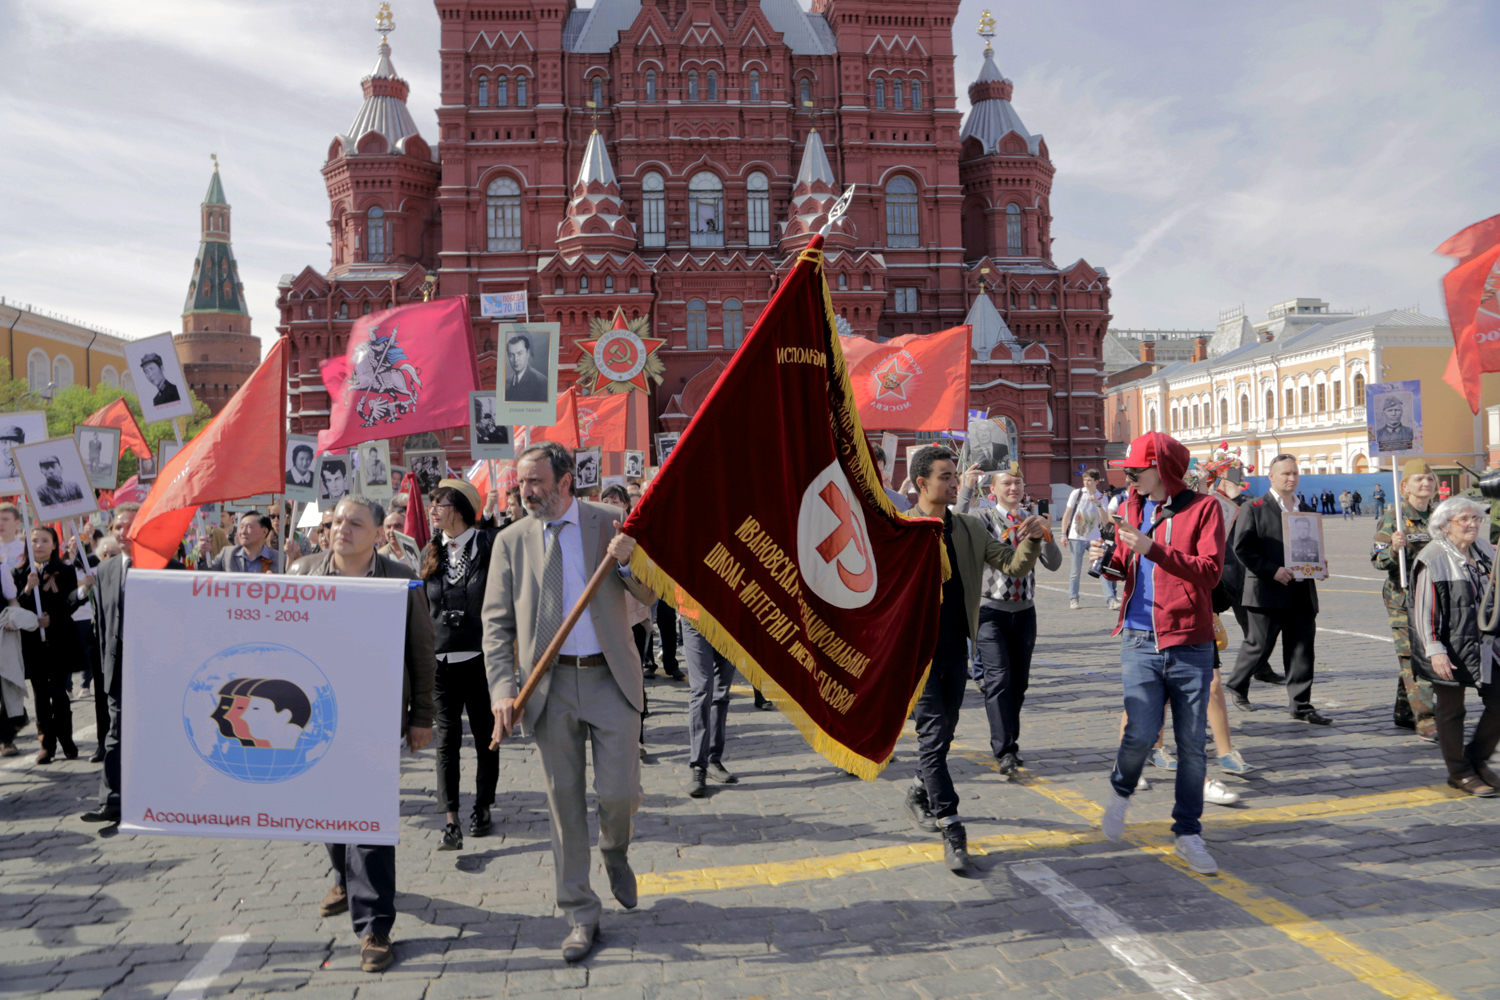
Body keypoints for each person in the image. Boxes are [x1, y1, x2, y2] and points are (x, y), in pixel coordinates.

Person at [482, 442, 656, 962]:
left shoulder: (610, 523)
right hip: (548, 686)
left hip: (610, 681)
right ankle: (579, 912)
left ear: (564, 482)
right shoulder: (511, 541)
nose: (524, 491)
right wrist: (501, 690)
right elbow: (496, 625)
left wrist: (626, 566)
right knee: (563, 804)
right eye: (520, 482)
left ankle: (615, 851)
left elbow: (652, 594)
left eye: (535, 482)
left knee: (619, 793)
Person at [293, 495, 435, 973]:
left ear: (378, 533)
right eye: (336, 522)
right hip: (313, 718)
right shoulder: (302, 573)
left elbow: (421, 651)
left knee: (368, 819)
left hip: (377, 718)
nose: (341, 530)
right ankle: (341, 874)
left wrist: (421, 717)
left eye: (354, 523)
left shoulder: (400, 578)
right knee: (330, 812)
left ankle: (374, 925)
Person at [901, 445, 1043, 872]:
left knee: (944, 735)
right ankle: (952, 826)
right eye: (945, 476)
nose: (954, 481)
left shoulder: (966, 527)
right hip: (917, 656)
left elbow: (1012, 565)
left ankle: (917, 789)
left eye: (953, 474)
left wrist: (1033, 539)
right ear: (923, 483)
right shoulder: (900, 529)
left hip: (956, 648)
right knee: (931, 737)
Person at [1090, 431, 1225, 875]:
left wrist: (1154, 549)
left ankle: (1188, 832)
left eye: (1137, 469)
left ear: (1163, 468)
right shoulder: (1128, 505)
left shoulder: (1204, 508)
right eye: (1127, 471)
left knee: (1191, 744)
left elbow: (1209, 573)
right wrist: (1107, 559)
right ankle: (1120, 789)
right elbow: (1126, 566)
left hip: (1190, 638)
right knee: (1141, 733)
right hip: (1138, 636)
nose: (1129, 476)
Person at [80, 503, 184, 824]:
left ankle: (165, 796)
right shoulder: (105, 570)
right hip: (119, 664)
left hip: (158, 664)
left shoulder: (170, 568)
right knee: (116, 731)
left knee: (159, 729)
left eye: (131, 526)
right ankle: (111, 800)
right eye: (118, 528)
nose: (124, 533)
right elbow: (105, 622)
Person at [957, 464, 1062, 773]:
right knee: (998, 679)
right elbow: (953, 522)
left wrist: (1047, 533)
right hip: (990, 613)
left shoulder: (1032, 519)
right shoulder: (983, 518)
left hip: (1025, 613)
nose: (1013, 487)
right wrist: (965, 487)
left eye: (1018, 482)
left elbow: (1054, 564)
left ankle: (1008, 740)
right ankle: (1005, 749)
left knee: (1018, 683)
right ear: (993, 490)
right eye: (1007, 483)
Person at [422, 480, 499, 852]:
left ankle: (483, 805)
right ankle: (450, 819)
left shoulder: (488, 544)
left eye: (441, 502)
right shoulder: (430, 549)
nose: (433, 509)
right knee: (446, 742)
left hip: (481, 658)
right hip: (441, 662)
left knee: (486, 736)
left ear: (463, 508)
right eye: (431, 503)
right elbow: (424, 606)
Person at [1224, 454, 1330, 724]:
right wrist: (1272, 570)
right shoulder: (1255, 507)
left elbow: (1309, 548)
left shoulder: (1304, 508)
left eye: (1295, 473)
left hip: (1301, 593)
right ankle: (1237, 685)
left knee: (1301, 650)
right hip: (1266, 591)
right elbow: (1242, 549)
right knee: (1259, 646)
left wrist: (1318, 564)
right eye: (1285, 473)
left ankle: (1301, 706)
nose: (1291, 478)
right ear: (1271, 476)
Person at [1407, 496, 1500, 796]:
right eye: (1465, 519)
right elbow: (1423, 611)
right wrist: (1435, 651)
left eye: (1476, 519)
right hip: (1448, 645)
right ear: (1445, 525)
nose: (1473, 524)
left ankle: (1476, 760)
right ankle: (1459, 773)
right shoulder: (1432, 557)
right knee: (1451, 710)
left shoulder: (1484, 550)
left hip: (1485, 642)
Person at [1373, 460, 1439, 740]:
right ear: (1404, 487)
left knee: (1419, 653)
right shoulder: (1394, 518)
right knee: (1413, 655)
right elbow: (1377, 560)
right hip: (1403, 597)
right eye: (1418, 480)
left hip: (1433, 597)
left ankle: (1404, 709)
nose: (1425, 484)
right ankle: (1425, 720)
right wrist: (1393, 548)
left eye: (1429, 479)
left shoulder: (1440, 516)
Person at [16, 526, 84, 764]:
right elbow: (15, 607)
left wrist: (51, 619)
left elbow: (71, 602)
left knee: (59, 693)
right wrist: (27, 590)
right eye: (34, 541)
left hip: (59, 639)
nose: (39, 545)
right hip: (33, 643)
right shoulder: (20, 572)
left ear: (55, 544)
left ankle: (66, 739)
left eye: (45, 540)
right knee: (40, 695)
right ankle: (46, 744)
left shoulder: (65, 571)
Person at [1060, 468, 1117, 611]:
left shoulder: (1102, 498)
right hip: (1076, 537)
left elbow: (1105, 521)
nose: (1086, 482)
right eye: (1084, 479)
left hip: (1094, 538)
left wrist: (1098, 504)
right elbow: (1067, 514)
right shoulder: (1077, 493)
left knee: (1101, 568)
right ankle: (1073, 598)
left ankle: (1111, 600)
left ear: (1097, 482)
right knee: (1075, 570)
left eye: (1089, 480)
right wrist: (1063, 534)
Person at [208, 512, 281, 574]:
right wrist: (202, 556)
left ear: (264, 532)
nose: (243, 532)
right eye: (241, 527)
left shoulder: (279, 559)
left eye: (249, 527)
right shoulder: (227, 554)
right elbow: (206, 574)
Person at [504, 333, 549, 402]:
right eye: (511, 355)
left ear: (527, 353)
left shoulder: (541, 382)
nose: (516, 359)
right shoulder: (505, 383)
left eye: (520, 353)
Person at [871, 445, 912, 513]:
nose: (875, 474)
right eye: (872, 470)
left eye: (879, 470)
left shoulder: (893, 496)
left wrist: (901, 491)